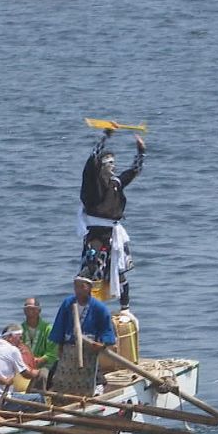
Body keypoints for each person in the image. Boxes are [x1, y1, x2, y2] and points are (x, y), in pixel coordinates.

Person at [79, 126, 145, 311]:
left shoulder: (116, 183)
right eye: (109, 162)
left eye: (114, 162)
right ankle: (84, 307)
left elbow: (134, 170)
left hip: (114, 233)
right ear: (101, 166)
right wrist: (105, 135)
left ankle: (125, 309)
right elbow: (92, 157)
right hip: (97, 234)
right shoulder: (93, 183)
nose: (113, 166)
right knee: (90, 269)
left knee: (120, 272)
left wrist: (141, 150)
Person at [47, 276, 117, 396]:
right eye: (76, 286)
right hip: (69, 348)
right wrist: (60, 345)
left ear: (89, 288)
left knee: (87, 376)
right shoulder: (68, 303)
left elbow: (107, 329)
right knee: (63, 377)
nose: (78, 290)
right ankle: (61, 399)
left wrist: (102, 344)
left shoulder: (99, 308)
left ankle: (90, 394)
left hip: (89, 349)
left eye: (82, 286)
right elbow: (60, 324)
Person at [0, 325, 41, 406]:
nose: (21, 341)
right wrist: (38, 373)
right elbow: (26, 374)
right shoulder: (13, 350)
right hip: (3, 399)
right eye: (20, 338)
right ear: (10, 337)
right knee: (38, 398)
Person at [21, 298, 58, 372]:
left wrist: (41, 360)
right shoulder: (20, 329)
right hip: (24, 366)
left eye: (33, 309)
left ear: (39, 310)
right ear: (24, 311)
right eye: (27, 309)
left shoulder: (48, 329)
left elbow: (53, 352)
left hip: (44, 365)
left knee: (43, 375)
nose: (30, 311)